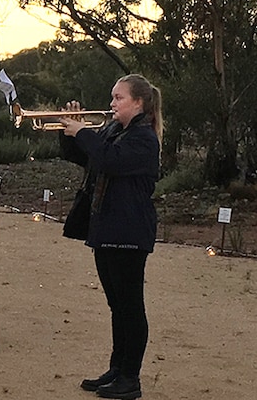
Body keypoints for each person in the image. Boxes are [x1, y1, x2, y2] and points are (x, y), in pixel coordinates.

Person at [59, 74, 162, 400]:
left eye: (119, 98)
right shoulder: (116, 131)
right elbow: (85, 157)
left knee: (130, 306)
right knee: (117, 305)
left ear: (139, 103)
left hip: (129, 231)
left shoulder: (144, 138)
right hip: (107, 228)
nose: (112, 104)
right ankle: (117, 369)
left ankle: (130, 378)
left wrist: (85, 133)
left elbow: (110, 160)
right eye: (112, 97)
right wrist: (70, 131)